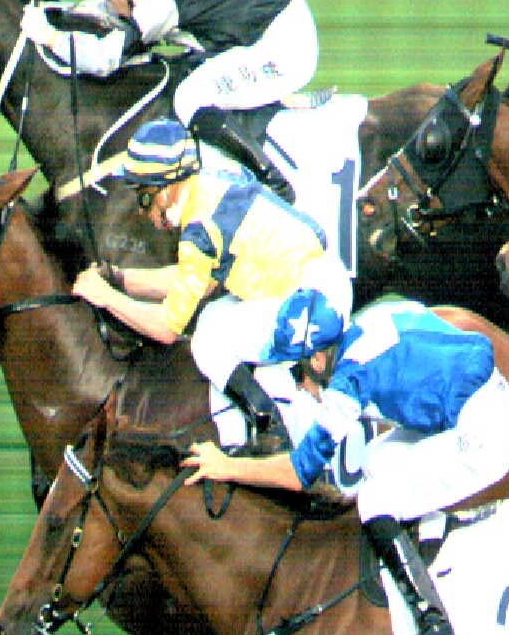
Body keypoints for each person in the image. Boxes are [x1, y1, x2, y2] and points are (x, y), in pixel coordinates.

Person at [181, 299, 509, 635]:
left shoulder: (350, 378)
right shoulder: (368, 321)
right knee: (375, 461)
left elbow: (299, 473)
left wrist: (227, 466)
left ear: (318, 360)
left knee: (375, 499)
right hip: (475, 401)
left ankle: (433, 620)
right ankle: (423, 559)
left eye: (297, 371)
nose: (300, 386)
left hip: (484, 432)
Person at [70, 118, 351, 431]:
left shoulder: (199, 229)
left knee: (207, 342)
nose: (141, 209)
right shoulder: (212, 185)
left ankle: (270, 429)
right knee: (213, 316)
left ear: (164, 191)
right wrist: (120, 279)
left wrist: (106, 298)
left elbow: (166, 329)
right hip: (324, 285)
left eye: (143, 195)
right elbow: (193, 282)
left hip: (313, 309)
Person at [20, 0, 318, 199]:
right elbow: (113, 14)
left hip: (286, 46)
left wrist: (50, 37)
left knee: (189, 98)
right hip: (260, 31)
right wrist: (60, 11)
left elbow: (106, 58)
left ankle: (273, 183)